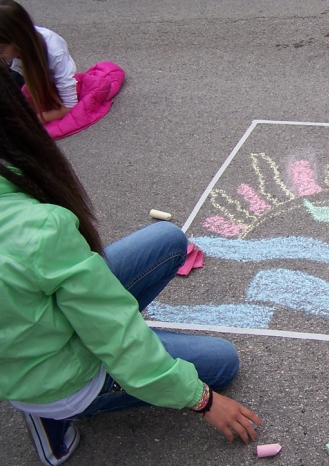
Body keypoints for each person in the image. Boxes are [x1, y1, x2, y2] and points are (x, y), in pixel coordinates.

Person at [0, 64, 261, 466]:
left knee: (169, 240)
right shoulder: (37, 227)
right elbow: (116, 337)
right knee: (222, 362)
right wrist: (203, 400)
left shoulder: (26, 220)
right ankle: (48, 414)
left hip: (31, 331)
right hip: (58, 376)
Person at [0, 0, 77, 122]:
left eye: (2, 49)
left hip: (46, 80)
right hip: (25, 73)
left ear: (18, 40)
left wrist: (35, 119)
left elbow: (69, 106)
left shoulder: (55, 53)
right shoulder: (11, 49)